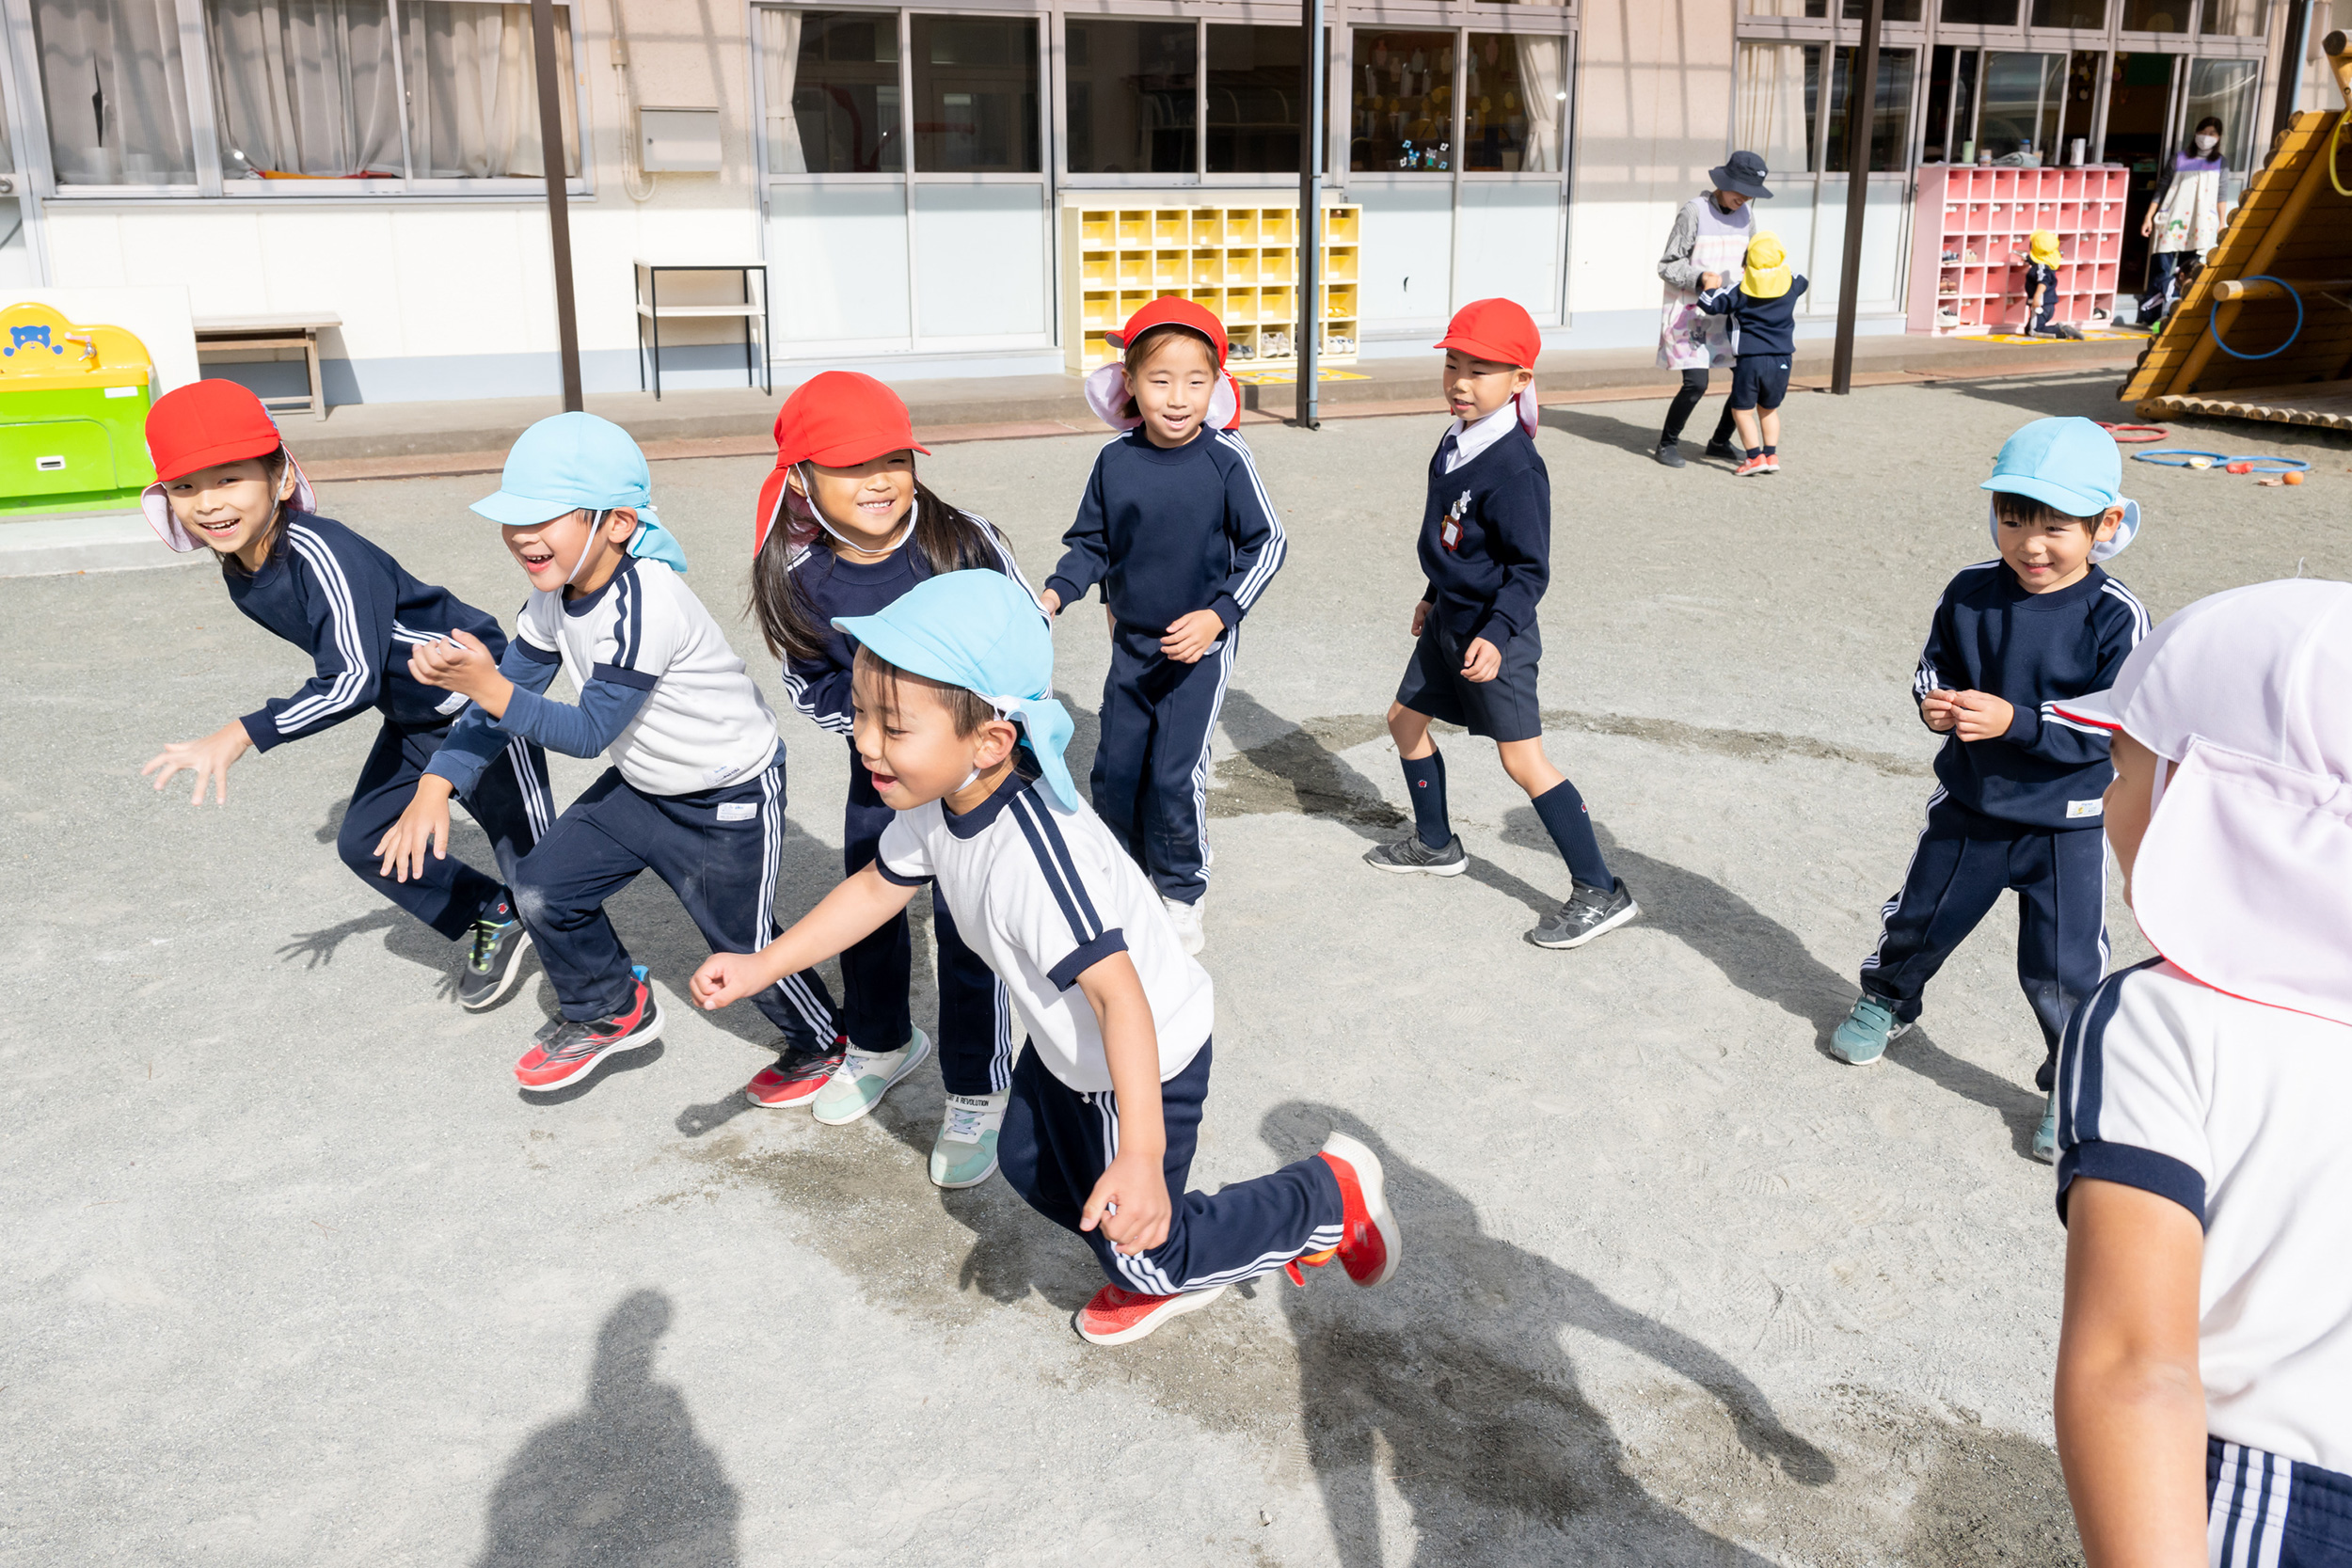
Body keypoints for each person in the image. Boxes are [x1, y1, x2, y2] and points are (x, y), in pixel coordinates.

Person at [690, 570, 1402, 1347]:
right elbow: (875, 886)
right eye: (862, 714)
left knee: (1144, 1247)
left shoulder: (1031, 860)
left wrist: (1140, 1154)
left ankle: (1321, 1198)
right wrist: (763, 964)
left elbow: (1120, 998)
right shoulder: (941, 800)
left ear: (990, 740)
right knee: (1027, 1161)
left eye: (893, 727)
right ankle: (1151, 1243)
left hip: (1138, 1060)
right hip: (1069, 1046)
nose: (865, 741)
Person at [380, 412, 841, 1093]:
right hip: (645, 785)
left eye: (544, 517)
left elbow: (588, 732)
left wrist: (486, 684)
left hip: (728, 794)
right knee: (541, 888)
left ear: (618, 523)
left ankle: (824, 1043)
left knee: (742, 944)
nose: (522, 535)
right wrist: (435, 784)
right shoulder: (553, 599)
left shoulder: (647, 603)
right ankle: (609, 1006)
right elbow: (508, 697)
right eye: (512, 518)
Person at [2045, 578, 2352, 1568]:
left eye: (2122, 769)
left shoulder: (2161, 1018)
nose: (2106, 804)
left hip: (2278, 1498)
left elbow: (2135, 1367)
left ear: (2208, 797)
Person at [138, 379, 551, 1011]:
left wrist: (243, 732)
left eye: (229, 479)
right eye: (185, 486)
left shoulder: (320, 550)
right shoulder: (242, 568)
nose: (209, 502)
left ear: (280, 477)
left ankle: (607, 992)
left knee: (540, 869)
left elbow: (353, 679)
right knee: (367, 840)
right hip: (414, 713)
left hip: (477, 700)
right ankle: (490, 913)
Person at [744, 370, 1038, 1188]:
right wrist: (883, 737)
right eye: (849, 465)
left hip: (981, 772)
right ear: (801, 480)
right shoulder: (799, 574)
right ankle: (880, 1040)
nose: (879, 480)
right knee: (869, 911)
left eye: (894, 459)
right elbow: (811, 681)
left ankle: (977, 1084)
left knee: (971, 924)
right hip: (881, 772)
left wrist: (977, 737)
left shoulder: (960, 540)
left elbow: (1023, 633)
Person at [1830, 417, 2150, 1164]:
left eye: (2055, 527)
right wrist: (1934, 702)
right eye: (2012, 519)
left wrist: (2017, 720)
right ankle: (1887, 998)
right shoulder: (1970, 590)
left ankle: (2069, 1080)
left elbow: (2119, 721)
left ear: (2104, 525)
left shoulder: (2115, 615)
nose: (2030, 545)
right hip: (1971, 805)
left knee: (2065, 965)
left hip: (2066, 823)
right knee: (1923, 917)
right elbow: (1933, 664)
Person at [1360, 297, 1640, 951]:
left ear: (1519, 380)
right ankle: (1436, 843)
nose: (1460, 382)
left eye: (1479, 371)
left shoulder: (1516, 466)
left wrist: (1495, 633)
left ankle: (1601, 889)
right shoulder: (1455, 439)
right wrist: (1432, 594)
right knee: (1403, 721)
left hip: (1495, 635)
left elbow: (1529, 571)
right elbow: (1454, 537)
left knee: (1523, 760)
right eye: (1453, 365)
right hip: (1449, 621)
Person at [1038, 297, 1287, 957]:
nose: (1178, 398)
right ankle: (1121, 875)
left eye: (1195, 381)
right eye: (1160, 380)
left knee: (1174, 773)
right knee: (1116, 768)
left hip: (1199, 648)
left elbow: (1268, 544)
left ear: (1216, 384)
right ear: (1129, 381)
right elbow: (1092, 543)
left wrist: (1218, 615)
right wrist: (1058, 593)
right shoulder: (1115, 460)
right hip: (1132, 643)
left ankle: (1180, 891)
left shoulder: (1226, 458)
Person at [1653, 149, 1772, 469]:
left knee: (1747, 379)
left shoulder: (1747, 216)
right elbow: (1667, 264)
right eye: (1741, 190)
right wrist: (1700, 277)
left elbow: (1751, 259)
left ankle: (1719, 442)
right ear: (1724, 182)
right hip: (1692, 314)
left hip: (1732, 315)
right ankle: (1667, 444)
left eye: (1751, 193)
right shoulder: (1694, 211)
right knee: (1696, 384)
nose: (1745, 198)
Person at [1694, 231, 1809, 478]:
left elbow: (1708, 303)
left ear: (1746, 265)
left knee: (1742, 410)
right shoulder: (1791, 284)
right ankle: (1771, 455)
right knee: (1769, 409)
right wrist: (1776, 270)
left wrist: (1710, 284)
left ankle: (1754, 457)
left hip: (1751, 359)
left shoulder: (1741, 290)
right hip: (1782, 359)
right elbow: (1803, 280)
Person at [2138, 117, 2228, 327]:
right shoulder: (2179, 158)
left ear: (2219, 138)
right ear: (2195, 133)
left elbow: (2222, 194)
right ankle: (2151, 316)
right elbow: (2162, 188)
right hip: (2171, 219)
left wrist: (2222, 223)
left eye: (2212, 134)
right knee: (2161, 270)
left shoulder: (2220, 162)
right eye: (2203, 132)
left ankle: (2179, 316)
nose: (2206, 137)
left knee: (2189, 273)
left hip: (2200, 223)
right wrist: (2148, 216)